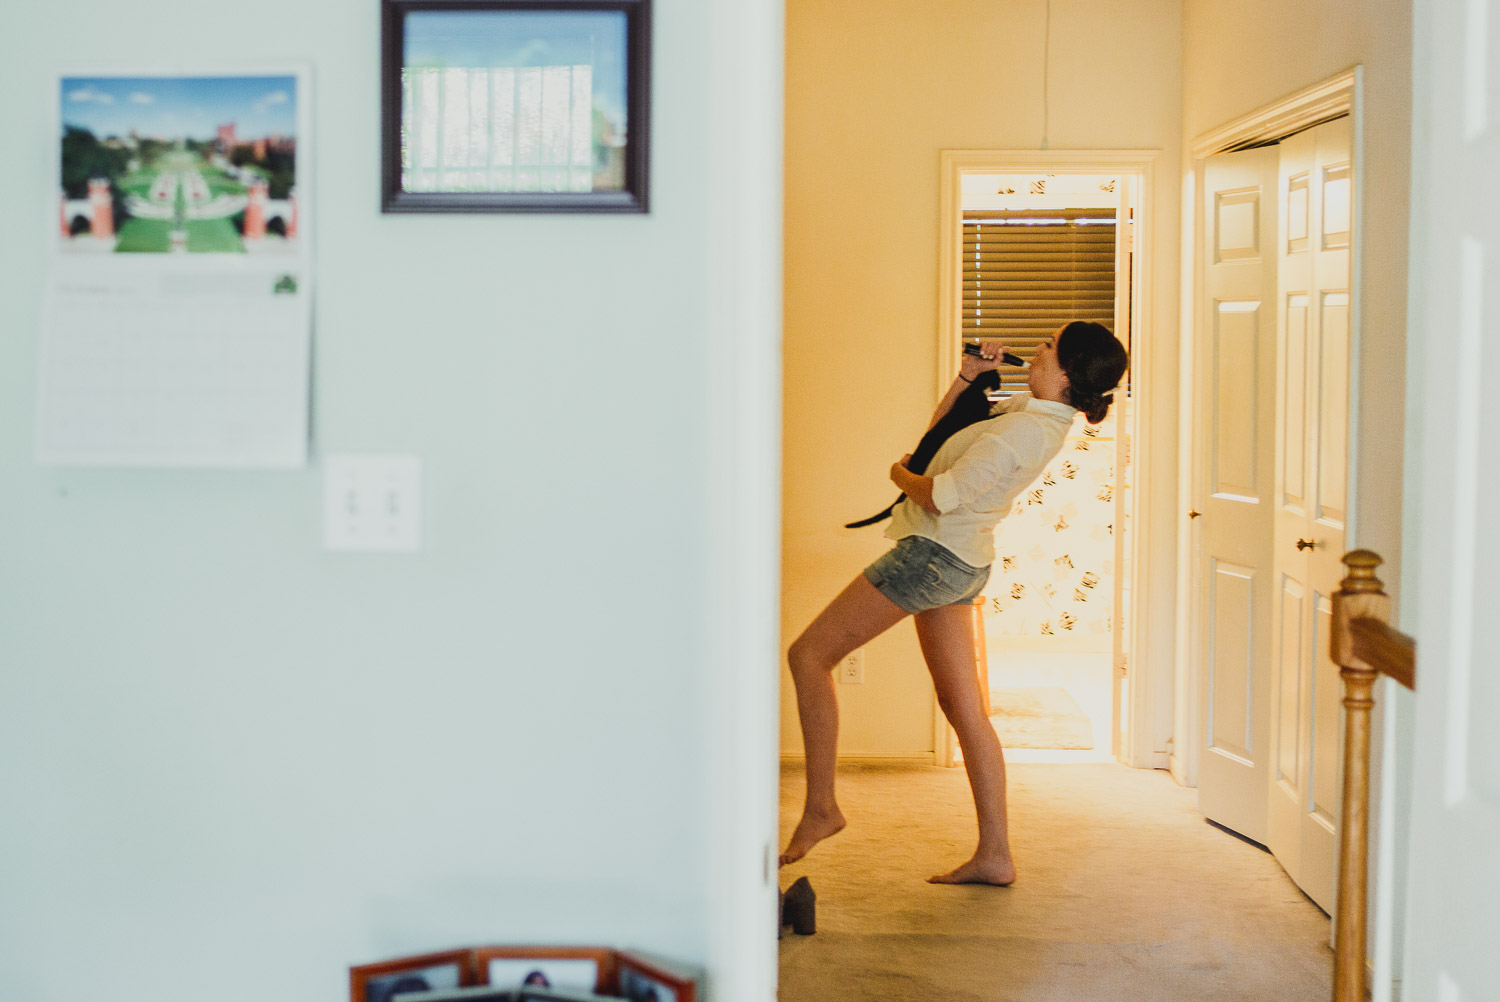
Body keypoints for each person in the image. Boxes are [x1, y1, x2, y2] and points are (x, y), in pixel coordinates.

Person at [780, 321, 1129, 885]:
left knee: (808, 657)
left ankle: (822, 808)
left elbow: (939, 493)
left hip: (931, 557)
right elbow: (940, 446)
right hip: (962, 562)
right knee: (964, 708)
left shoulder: (1023, 433)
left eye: (1046, 347)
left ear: (1064, 371)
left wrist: (899, 474)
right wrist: (968, 377)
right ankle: (995, 856)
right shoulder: (1034, 415)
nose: (1035, 352)